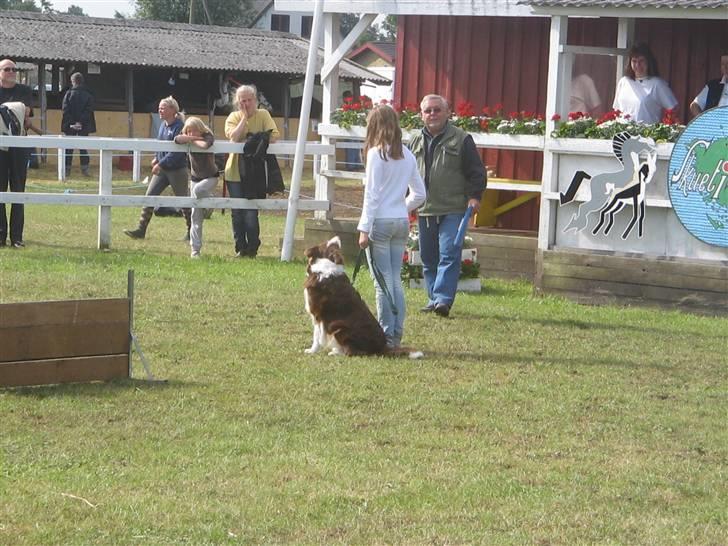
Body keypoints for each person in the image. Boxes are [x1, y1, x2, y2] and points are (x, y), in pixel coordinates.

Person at [408, 94, 486, 318]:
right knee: (429, 258)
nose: (432, 114)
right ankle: (433, 299)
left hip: (454, 208)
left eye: (437, 110)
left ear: (447, 112)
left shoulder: (461, 139)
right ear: (421, 115)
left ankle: (443, 299)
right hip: (425, 209)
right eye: (428, 111)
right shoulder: (413, 141)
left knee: (449, 253)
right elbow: (406, 172)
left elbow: (476, 171)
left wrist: (475, 196)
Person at [357, 104, 426, 348]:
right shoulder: (406, 154)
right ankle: (395, 334)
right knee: (394, 279)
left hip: (381, 222)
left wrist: (364, 228)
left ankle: (387, 335)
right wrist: (400, 207)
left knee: (382, 282)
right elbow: (420, 194)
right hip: (400, 221)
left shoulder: (376, 153)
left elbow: (372, 195)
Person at [224, 84, 280, 258]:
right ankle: (240, 248)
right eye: (243, 101)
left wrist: (255, 139)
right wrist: (244, 118)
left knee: (250, 211)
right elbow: (234, 137)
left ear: (255, 100)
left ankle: (253, 248)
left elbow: (274, 135)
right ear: (238, 102)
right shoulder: (233, 117)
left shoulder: (263, 115)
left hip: (253, 172)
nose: (247, 103)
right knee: (237, 212)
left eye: (249, 100)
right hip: (234, 171)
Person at [124, 96, 191, 240]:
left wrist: (160, 163)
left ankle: (191, 231)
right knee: (149, 196)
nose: (159, 110)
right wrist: (156, 157)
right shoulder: (162, 125)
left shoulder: (179, 127)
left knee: (184, 201)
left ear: (173, 109)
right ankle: (141, 230)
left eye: (163, 108)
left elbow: (176, 152)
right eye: (159, 107)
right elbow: (160, 144)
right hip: (163, 169)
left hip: (177, 170)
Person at [174, 117, 218, 259]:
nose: (191, 133)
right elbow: (177, 139)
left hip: (210, 177)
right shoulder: (187, 137)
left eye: (194, 130)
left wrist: (191, 139)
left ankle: (210, 201)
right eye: (188, 131)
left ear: (200, 129)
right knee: (195, 216)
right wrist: (189, 137)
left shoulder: (208, 135)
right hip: (194, 178)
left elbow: (205, 145)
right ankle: (195, 250)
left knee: (198, 191)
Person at [0, 58, 33, 249]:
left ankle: (17, 237)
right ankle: (0, 235)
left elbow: (26, 111)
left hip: (19, 148)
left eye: (13, 69)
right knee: (0, 190)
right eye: (7, 69)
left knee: (18, 190)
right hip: (0, 149)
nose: (11, 72)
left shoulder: (24, 91)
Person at [612, 43, 678, 124]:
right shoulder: (623, 82)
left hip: (645, 135)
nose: (638, 65)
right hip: (622, 133)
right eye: (634, 61)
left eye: (641, 61)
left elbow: (673, 109)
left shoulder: (657, 84)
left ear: (648, 62)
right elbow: (616, 109)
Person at [61, 72, 96, 177]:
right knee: (83, 147)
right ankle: (85, 170)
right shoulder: (88, 95)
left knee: (68, 148)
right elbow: (88, 110)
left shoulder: (68, 94)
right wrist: (80, 122)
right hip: (84, 125)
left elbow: (65, 110)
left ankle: (66, 170)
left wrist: (72, 122)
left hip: (70, 125)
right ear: (82, 81)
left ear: (72, 82)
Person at [690, 53, 728, 118]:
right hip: (713, 125)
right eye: (723, 64)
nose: (726, 67)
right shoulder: (712, 85)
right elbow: (694, 105)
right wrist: (703, 121)